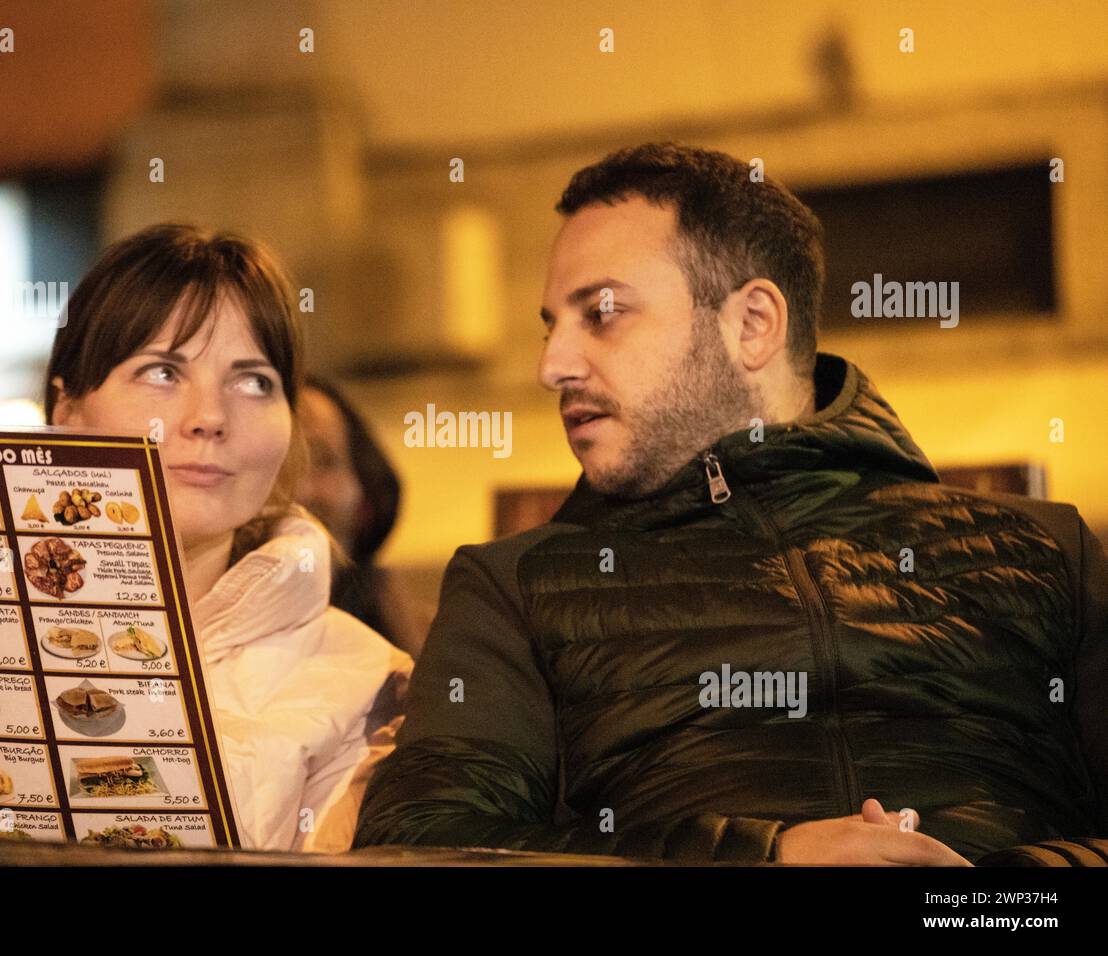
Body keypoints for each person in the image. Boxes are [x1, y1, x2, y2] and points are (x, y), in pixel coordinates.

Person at [353, 143, 1108, 865]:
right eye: (553, 327)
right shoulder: (515, 585)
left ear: (752, 325)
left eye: (603, 313)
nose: (553, 365)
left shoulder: (1046, 549)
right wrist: (758, 858)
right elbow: (425, 848)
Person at [0, 223, 412, 852]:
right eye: (161, 372)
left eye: (254, 380)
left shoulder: (368, 683)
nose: (209, 418)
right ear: (66, 411)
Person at [295, 375, 434, 659]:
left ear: (367, 500)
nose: (298, 492)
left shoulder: (434, 647)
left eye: (322, 461)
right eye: (277, 463)